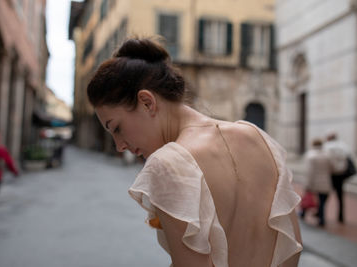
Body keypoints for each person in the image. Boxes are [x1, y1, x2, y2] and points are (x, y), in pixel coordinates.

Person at [87, 37, 302, 266]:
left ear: (147, 102)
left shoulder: (168, 164)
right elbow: (293, 247)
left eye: (116, 128)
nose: (120, 145)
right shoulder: (258, 138)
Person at [302, 139, 332, 227]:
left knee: (308, 198)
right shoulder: (327, 155)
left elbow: (309, 172)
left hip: (314, 182)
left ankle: (303, 213)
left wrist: (308, 184)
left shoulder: (310, 155)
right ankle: (322, 219)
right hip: (325, 181)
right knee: (322, 202)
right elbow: (332, 168)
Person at [324, 132, 352, 223]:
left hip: (331, 174)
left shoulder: (327, 147)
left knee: (325, 196)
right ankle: (341, 216)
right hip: (341, 174)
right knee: (340, 197)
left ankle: (321, 215)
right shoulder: (343, 146)